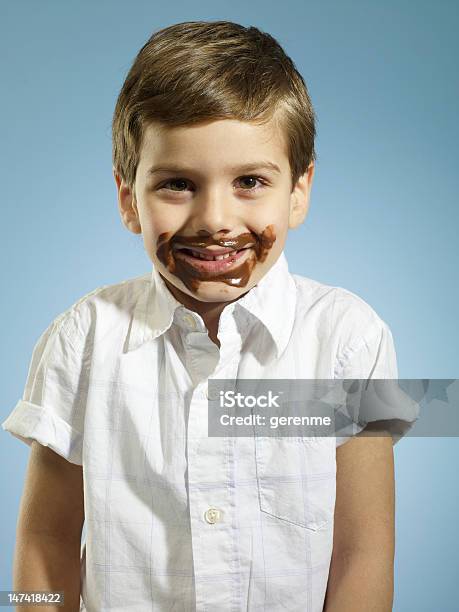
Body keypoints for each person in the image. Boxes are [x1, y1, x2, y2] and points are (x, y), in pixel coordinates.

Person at [2, 20, 414, 611]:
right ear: (129, 200)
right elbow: (44, 541)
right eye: (177, 184)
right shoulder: (83, 339)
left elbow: (364, 554)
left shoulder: (349, 338)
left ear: (298, 192)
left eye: (250, 181)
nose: (215, 218)